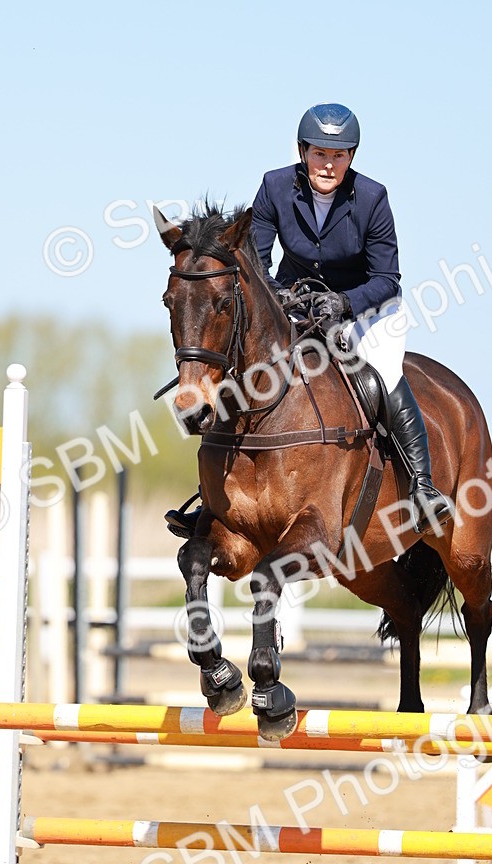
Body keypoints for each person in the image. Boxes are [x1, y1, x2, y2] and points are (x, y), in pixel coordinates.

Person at [164, 102, 453, 538]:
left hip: (365, 309)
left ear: (351, 157)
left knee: (385, 374)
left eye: (339, 155)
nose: (328, 164)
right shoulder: (275, 186)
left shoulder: (373, 197)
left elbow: (387, 279)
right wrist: (279, 297)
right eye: (320, 153)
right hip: (295, 303)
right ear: (303, 152)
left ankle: (421, 486)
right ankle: (215, 496)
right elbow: (257, 260)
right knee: (247, 366)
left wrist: (343, 303)